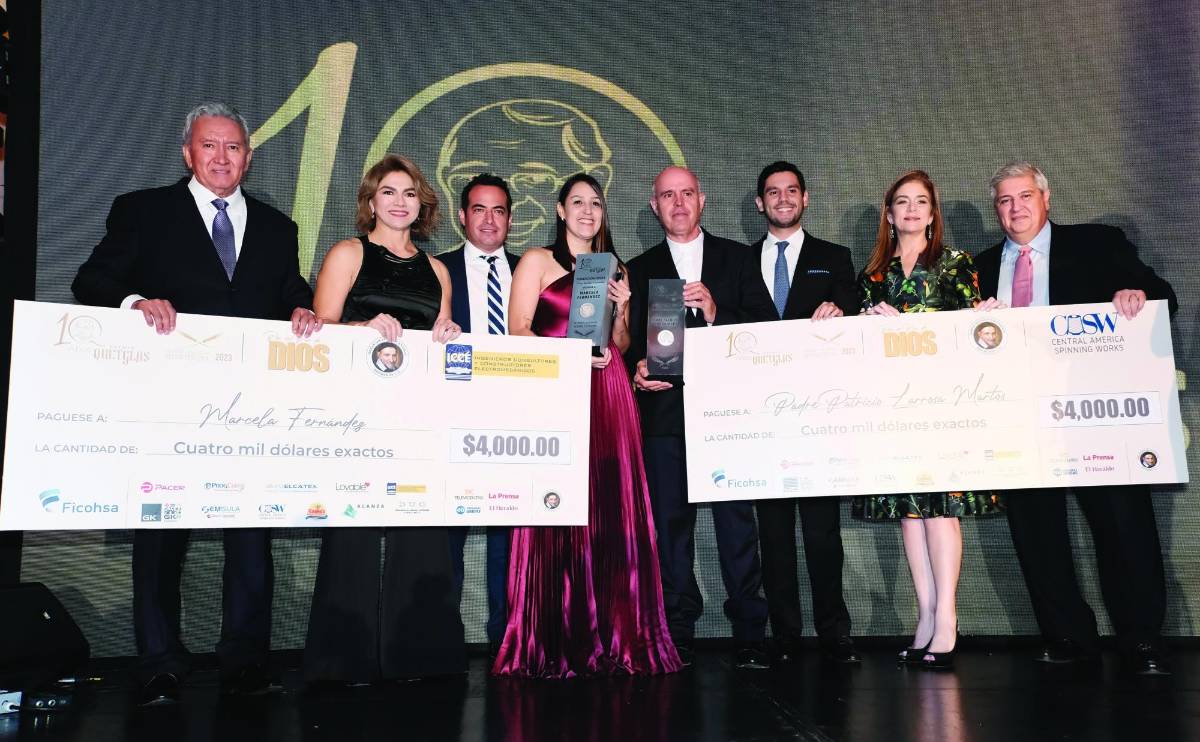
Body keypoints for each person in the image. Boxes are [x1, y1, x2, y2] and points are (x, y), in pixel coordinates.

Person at [71, 101, 320, 707]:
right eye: (209, 146)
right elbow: (91, 281)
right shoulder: (143, 211)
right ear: (187, 153)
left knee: (250, 541)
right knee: (160, 541)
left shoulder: (276, 227)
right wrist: (134, 302)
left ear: (248, 158)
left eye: (233, 147)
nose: (221, 157)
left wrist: (303, 307)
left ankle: (245, 662)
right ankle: (159, 662)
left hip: (249, 411)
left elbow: (289, 289)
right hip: (166, 409)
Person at [975, 161, 1177, 675]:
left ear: (1046, 199)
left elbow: (1160, 296)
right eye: (1004, 200)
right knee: (1036, 533)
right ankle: (1068, 637)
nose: (1015, 208)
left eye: (1024, 197)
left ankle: (1141, 640)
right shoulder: (975, 267)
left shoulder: (1096, 244)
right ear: (996, 210)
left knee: (1122, 525)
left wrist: (1138, 295)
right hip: (1016, 417)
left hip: (1095, 415)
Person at [493, 172, 680, 678]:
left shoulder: (614, 267)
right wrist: (570, 353)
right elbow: (519, 331)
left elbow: (617, 345)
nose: (587, 211)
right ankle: (553, 635)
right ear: (559, 210)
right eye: (577, 202)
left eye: (595, 203)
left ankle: (615, 632)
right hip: (555, 387)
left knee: (609, 507)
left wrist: (622, 311)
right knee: (556, 506)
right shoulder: (535, 261)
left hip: (609, 391)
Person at [304, 154, 465, 685]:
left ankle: (418, 658)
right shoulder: (348, 253)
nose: (400, 201)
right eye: (390, 192)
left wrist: (449, 335)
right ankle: (341, 662)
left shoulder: (437, 268)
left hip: (418, 415)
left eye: (410, 193)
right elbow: (317, 333)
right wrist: (362, 326)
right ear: (371, 201)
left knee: (422, 531)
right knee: (352, 530)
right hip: (354, 415)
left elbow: (441, 335)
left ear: (422, 204)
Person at [853, 170, 1005, 670]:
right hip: (894, 410)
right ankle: (925, 615)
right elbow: (857, 352)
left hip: (944, 408)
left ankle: (947, 620)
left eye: (921, 202)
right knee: (909, 513)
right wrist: (865, 325)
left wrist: (987, 315)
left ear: (933, 212)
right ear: (890, 214)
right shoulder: (873, 276)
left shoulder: (956, 264)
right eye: (903, 202)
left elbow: (974, 336)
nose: (912, 210)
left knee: (941, 511)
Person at [626, 166, 770, 669]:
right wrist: (636, 371)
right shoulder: (638, 268)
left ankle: (751, 630)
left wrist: (716, 313)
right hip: (665, 414)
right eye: (667, 195)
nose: (679, 203)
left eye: (686, 193)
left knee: (737, 529)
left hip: (727, 415)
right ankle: (677, 630)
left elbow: (766, 331)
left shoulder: (737, 258)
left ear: (702, 200)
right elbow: (624, 343)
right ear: (654, 206)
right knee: (670, 529)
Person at [740, 161, 861, 664]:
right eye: (773, 192)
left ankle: (835, 634)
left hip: (818, 420)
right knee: (773, 535)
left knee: (821, 533)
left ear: (806, 199)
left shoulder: (835, 258)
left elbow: (856, 320)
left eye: (792, 191)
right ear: (759, 204)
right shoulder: (737, 263)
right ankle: (786, 636)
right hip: (761, 421)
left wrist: (841, 309)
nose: (783, 199)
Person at [434, 173, 520, 659]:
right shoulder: (435, 269)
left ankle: (507, 640)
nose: (490, 219)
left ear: (510, 218)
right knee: (447, 532)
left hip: (516, 422)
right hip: (452, 420)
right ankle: (441, 642)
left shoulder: (532, 270)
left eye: (499, 210)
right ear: (463, 216)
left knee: (509, 534)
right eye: (480, 209)